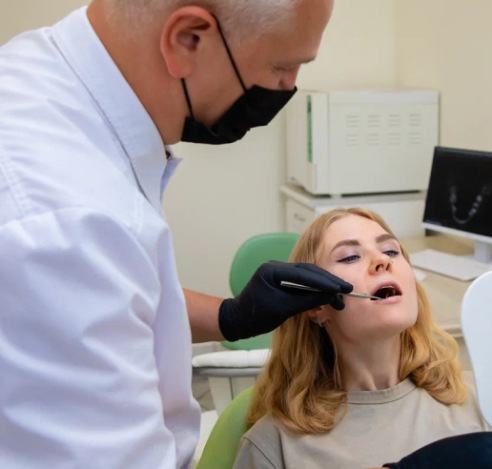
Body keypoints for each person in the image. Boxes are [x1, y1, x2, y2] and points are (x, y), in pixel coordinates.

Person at [0, 1, 345, 468]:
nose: (287, 88)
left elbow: (107, 295)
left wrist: (229, 316)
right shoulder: (60, 222)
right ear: (187, 39)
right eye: (282, 67)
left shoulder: (39, 76)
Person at [233, 208, 492, 469]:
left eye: (391, 251)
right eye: (350, 257)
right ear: (315, 305)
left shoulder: (485, 398)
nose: (382, 261)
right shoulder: (274, 446)